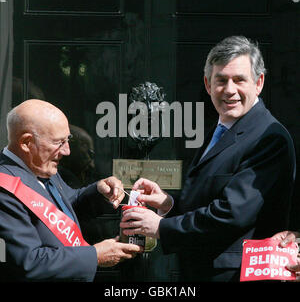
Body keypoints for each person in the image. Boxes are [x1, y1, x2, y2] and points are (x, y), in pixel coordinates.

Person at [120, 35, 297, 282]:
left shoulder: (268, 137)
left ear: (259, 82)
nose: (229, 90)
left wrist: (161, 227)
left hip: (237, 275)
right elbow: (210, 195)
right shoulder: (222, 127)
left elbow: (232, 213)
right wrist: (168, 203)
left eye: (239, 80)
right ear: (207, 84)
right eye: (221, 80)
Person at [0, 99, 142, 282]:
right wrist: (94, 256)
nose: (67, 151)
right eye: (59, 143)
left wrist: (98, 192)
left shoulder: (39, 164)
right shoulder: (4, 188)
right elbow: (29, 263)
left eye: (68, 140)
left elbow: (66, 204)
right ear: (26, 142)